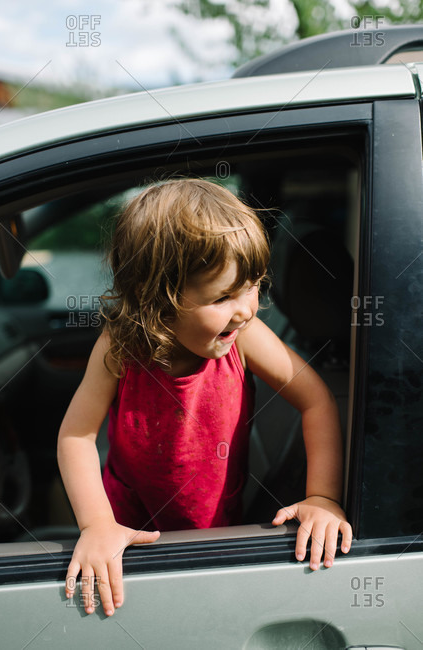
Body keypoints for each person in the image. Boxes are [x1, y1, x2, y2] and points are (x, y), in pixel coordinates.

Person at [58, 178, 352, 618]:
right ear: (156, 299)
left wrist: (322, 497)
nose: (247, 308)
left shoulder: (244, 337)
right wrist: (97, 524)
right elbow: (76, 436)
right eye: (223, 296)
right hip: (126, 530)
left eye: (253, 285)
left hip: (212, 533)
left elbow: (317, 401)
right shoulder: (121, 343)